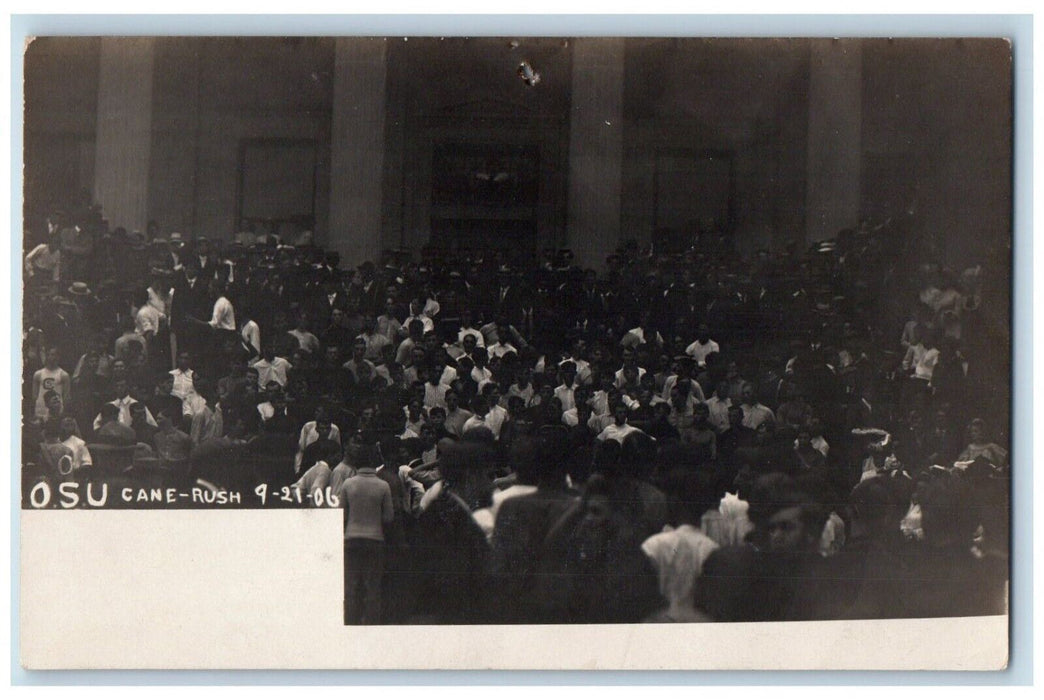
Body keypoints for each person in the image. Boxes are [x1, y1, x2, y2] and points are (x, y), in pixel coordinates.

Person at [340, 439, 394, 625]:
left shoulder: (348, 484)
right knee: (373, 588)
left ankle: (351, 623)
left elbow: (342, 515)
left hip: (351, 539)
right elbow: (388, 518)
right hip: (375, 540)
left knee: (351, 587)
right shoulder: (383, 486)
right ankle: (371, 626)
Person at [32, 347, 71, 421]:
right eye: (50, 355)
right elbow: (34, 396)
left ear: (58, 357)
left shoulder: (63, 375)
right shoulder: (38, 374)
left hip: (57, 411)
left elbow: (66, 397)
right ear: (46, 356)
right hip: (40, 410)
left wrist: (64, 412)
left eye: (55, 355)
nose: (52, 357)